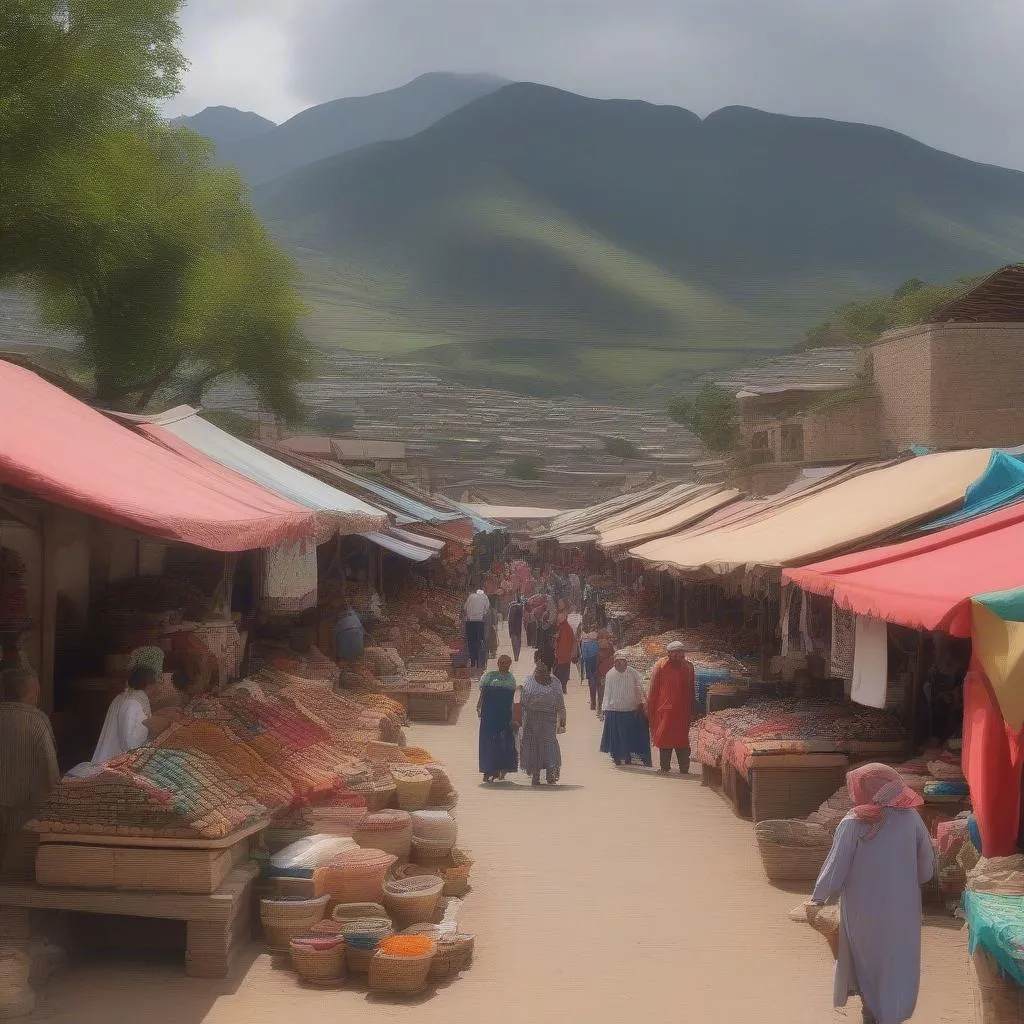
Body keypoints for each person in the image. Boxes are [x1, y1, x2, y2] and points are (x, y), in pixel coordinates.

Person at [809, 764, 935, 1024]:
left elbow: (836, 866)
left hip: (863, 912)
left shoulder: (854, 821)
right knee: (897, 962)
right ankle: (893, 1013)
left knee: (867, 963)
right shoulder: (911, 819)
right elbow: (926, 868)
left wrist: (818, 897)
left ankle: (873, 1014)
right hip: (904, 911)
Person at [0, 668, 59, 873]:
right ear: (32, 693)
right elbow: (51, 772)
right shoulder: (37, 721)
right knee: (16, 871)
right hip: (25, 812)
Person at [91, 656, 182, 765]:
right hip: (113, 765)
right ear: (149, 685)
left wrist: (159, 714)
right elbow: (131, 745)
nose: (160, 687)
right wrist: (156, 726)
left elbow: (137, 723)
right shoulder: (132, 704)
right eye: (158, 683)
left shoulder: (126, 697)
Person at [647, 640, 695, 774]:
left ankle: (684, 768)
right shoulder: (660, 666)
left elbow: (691, 690)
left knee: (682, 740)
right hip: (664, 710)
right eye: (676, 652)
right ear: (669, 653)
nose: (679, 655)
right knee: (664, 739)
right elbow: (654, 689)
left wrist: (693, 709)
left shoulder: (689, 667)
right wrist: (650, 707)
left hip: (682, 711)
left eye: (681, 652)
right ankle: (664, 767)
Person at [599, 652, 652, 767]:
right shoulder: (610, 674)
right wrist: (604, 708)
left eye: (623, 662)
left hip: (631, 709)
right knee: (616, 737)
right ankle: (616, 757)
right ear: (615, 663)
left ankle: (629, 756)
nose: (621, 665)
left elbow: (641, 687)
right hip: (614, 710)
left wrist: (643, 703)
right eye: (618, 662)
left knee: (630, 736)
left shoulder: (633, 673)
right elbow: (607, 693)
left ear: (626, 663)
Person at [519, 661, 566, 786]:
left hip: (549, 720)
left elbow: (560, 705)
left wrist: (562, 722)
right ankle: (536, 776)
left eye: (544, 672)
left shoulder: (555, 684)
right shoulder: (528, 682)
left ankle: (551, 773)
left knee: (549, 745)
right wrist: (520, 721)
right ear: (535, 672)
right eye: (539, 672)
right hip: (531, 719)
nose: (542, 674)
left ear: (548, 672)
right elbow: (522, 702)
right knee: (534, 747)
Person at [476, 655, 519, 783]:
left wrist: (514, 717)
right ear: (498, 663)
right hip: (489, 714)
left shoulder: (511, 679)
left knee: (503, 741)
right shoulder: (489, 676)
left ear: (510, 665)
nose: (504, 664)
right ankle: (487, 770)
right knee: (487, 741)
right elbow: (482, 693)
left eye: (507, 663)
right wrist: (478, 706)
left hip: (504, 715)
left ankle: (500, 768)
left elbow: (512, 700)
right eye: (501, 662)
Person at [463, 588, 491, 673]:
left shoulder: (470, 597)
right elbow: (486, 610)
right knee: (479, 642)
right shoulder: (485, 597)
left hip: (470, 623)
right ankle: (479, 663)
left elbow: (465, 608)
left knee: (471, 643)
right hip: (479, 623)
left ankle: (473, 662)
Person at [553, 612, 576, 694]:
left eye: (560, 617)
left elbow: (558, 640)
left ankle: (561, 688)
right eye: (558, 617)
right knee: (565, 671)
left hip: (561, 654)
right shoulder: (568, 627)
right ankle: (563, 687)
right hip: (566, 655)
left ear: (564, 617)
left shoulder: (562, 627)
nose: (559, 618)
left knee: (559, 672)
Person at [580, 624, 601, 710]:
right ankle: (597, 703)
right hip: (595, 654)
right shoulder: (597, 633)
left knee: (591, 678)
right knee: (597, 679)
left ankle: (593, 702)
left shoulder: (583, 632)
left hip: (587, 655)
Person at [507, 592, 525, 663]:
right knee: (518, 642)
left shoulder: (512, 606)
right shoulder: (520, 606)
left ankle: (516, 656)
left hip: (514, 626)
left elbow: (510, 619)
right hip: (518, 626)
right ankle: (516, 656)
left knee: (515, 642)